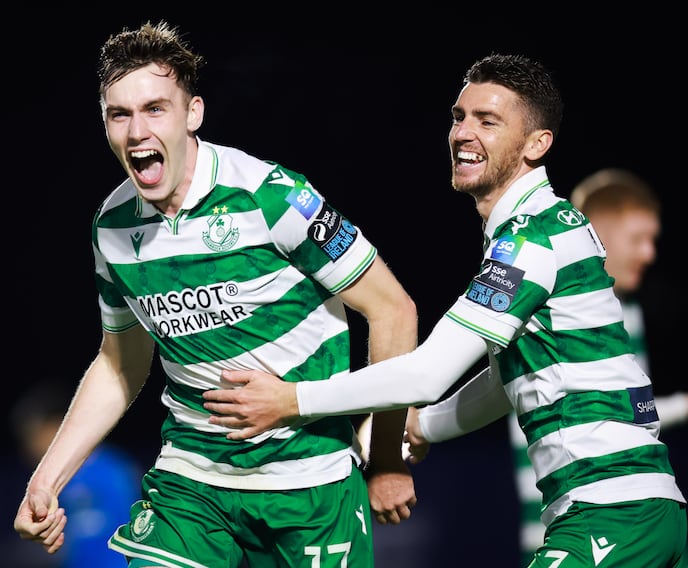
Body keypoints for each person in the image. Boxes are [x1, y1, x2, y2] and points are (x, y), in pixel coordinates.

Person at [203, 53, 688, 567]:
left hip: (611, 516)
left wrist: (291, 399)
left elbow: (428, 372)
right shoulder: (550, 226)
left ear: (536, 144)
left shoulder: (531, 242)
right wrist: (424, 427)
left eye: (488, 121)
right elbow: (509, 380)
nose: (463, 133)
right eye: (460, 117)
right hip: (643, 513)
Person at [12, 20, 419, 568]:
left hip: (309, 480)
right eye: (120, 114)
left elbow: (393, 310)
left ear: (193, 113)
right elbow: (120, 363)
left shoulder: (275, 198)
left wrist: (388, 456)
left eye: (156, 108)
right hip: (194, 481)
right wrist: (48, 478)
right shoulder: (111, 228)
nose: (137, 131)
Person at [509, 168, 688, 565]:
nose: (649, 253)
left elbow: (627, 411)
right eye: (638, 239)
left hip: (611, 515)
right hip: (571, 516)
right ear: (601, 237)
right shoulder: (544, 301)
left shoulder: (628, 312)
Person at [11, 380, 143, 568]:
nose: (29, 447)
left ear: (56, 427)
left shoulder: (112, 469)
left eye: (33, 435)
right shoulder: (49, 486)